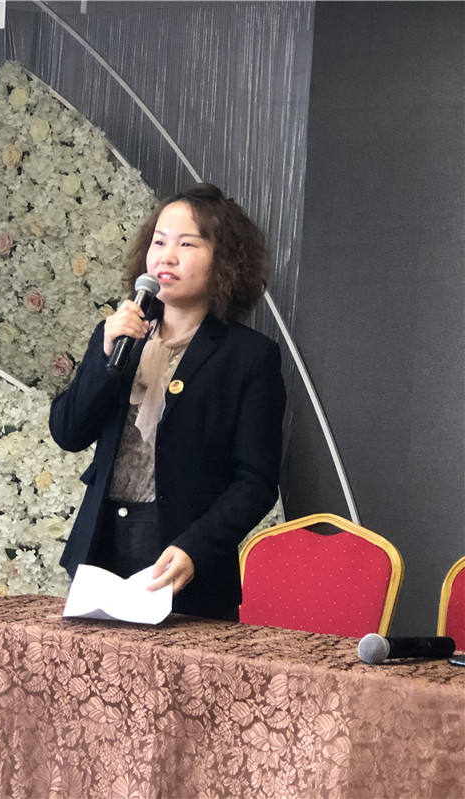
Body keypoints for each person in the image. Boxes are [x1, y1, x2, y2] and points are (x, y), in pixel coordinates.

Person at [49, 183, 286, 620]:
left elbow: (255, 482)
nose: (166, 256)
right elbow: (67, 432)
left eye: (186, 244)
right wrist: (105, 357)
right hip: (100, 546)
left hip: (184, 562)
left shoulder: (249, 356)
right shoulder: (119, 335)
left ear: (224, 259)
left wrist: (196, 548)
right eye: (159, 242)